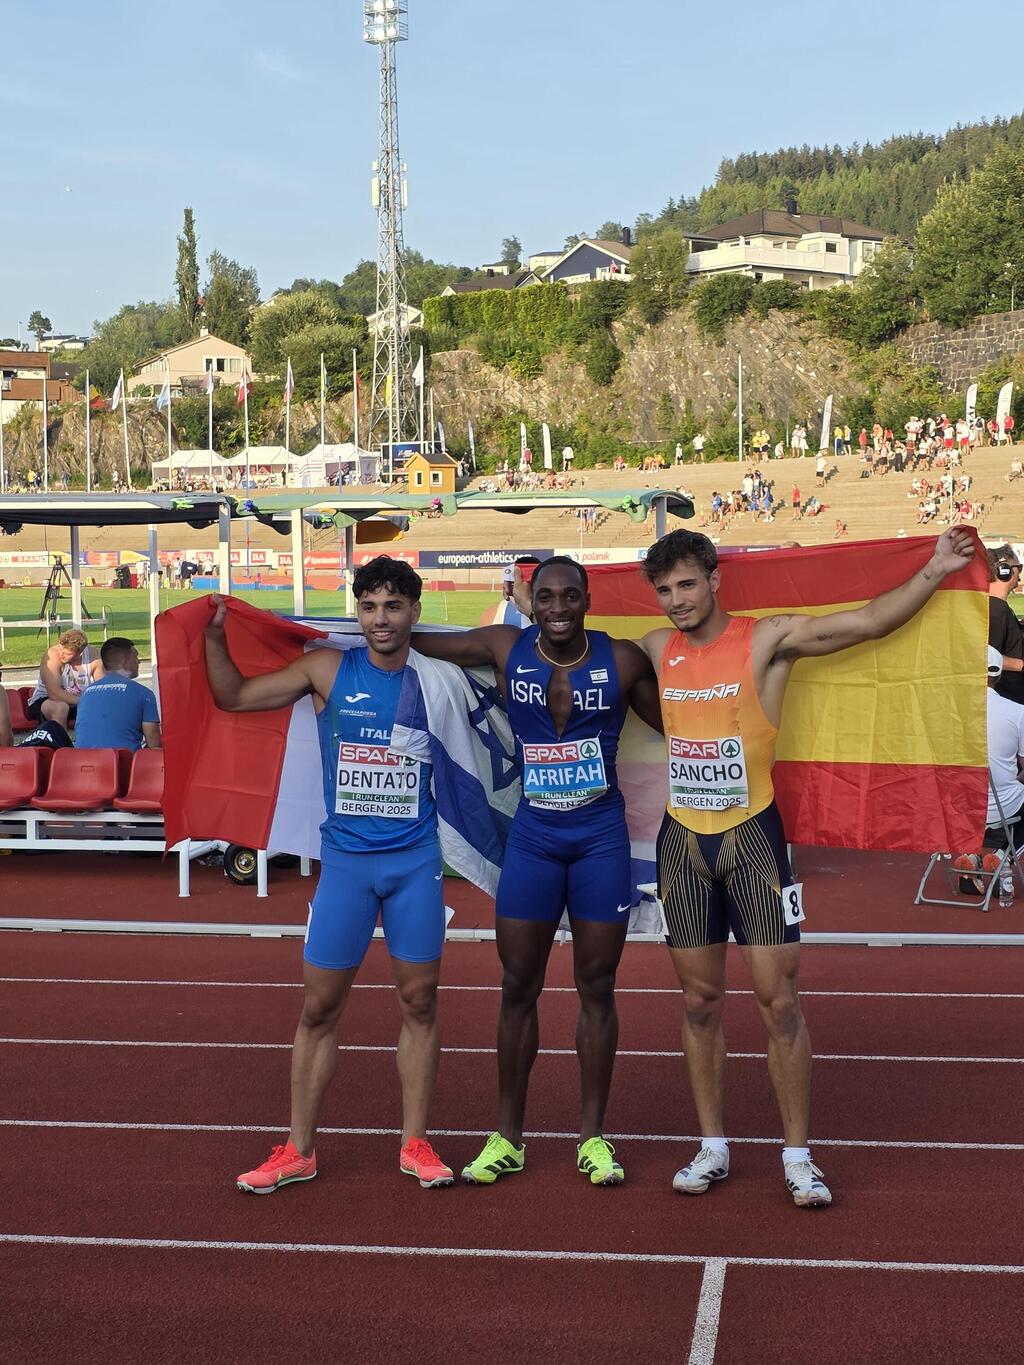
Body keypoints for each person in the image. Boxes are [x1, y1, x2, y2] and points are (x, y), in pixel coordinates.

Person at [637, 526, 974, 1208]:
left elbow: (869, 623)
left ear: (714, 580)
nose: (676, 600)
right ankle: (713, 1146)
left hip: (754, 839)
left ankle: (797, 1154)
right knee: (699, 1003)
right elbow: (568, 654)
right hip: (682, 846)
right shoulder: (651, 648)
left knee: (780, 1002)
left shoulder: (767, 640)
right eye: (665, 589)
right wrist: (528, 603)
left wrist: (936, 568)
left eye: (687, 584)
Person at [413, 557, 664, 1187]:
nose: (556, 607)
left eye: (569, 596)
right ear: (529, 599)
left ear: (586, 599)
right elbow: (409, 640)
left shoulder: (625, 659)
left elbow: (680, 723)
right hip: (534, 839)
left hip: (599, 838)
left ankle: (594, 1139)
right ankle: (508, 1137)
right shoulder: (503, 645)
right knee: (517, 983)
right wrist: (315, 632)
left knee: (596, 985)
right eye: (545, 596)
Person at [212, 557, 457, 1194]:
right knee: (320, 1008)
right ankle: (299, 1149)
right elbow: (233, 696)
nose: (381, 619)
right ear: (357, 611)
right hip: (346, 866)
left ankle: (415, 1142)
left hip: (414, 864)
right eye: (370, 606)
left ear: (414, 611)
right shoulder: (327, 670)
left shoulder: (437, 681)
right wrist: (213, 635)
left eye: (394, 607)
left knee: (420, 1002)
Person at [74, 638, 161, 751]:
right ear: (125, 662)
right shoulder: (144, 694)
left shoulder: (87, 693)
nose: (139, 661)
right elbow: (154, 744)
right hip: (122, 763)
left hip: (81, 761)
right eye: (135, 657)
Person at [26, 630, 103, 729]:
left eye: (67, 654)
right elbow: (54, 693)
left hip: (79, 700)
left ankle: (92, 742)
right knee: (60, 708)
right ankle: (61, 743)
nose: (61, 655)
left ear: (80, 654)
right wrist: (83, 701)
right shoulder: (52, 655)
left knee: (102, 706)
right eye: (61, 649)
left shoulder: (92, 655)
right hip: (46, 700)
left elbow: (102, 685)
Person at [986, 547, 1024, 707]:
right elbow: (984, 657)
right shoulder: (995, 610)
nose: (1020, 573)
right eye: (1018, 567)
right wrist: (1021, 665)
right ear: (1004, 570)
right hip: (1008, 695)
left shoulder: (998, 607)